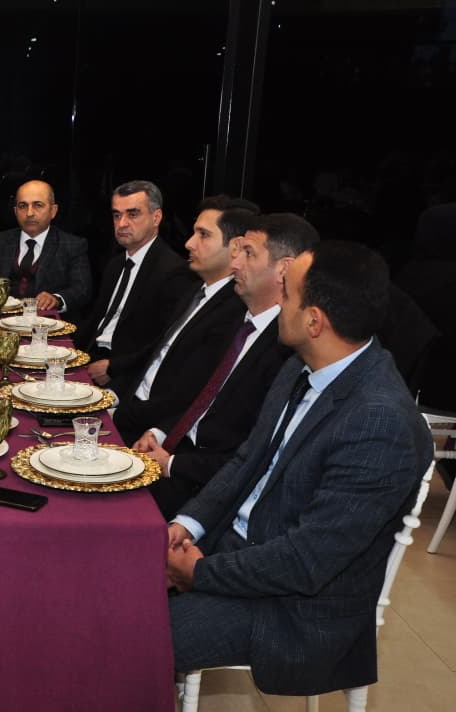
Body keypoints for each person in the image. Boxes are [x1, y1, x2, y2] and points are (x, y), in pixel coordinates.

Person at [166, 241, 433, 697]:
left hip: (288, 608)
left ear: (314, 321)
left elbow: (305, 561)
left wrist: (200, 572)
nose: (277, 299)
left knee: (131, 633)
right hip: (235, 550)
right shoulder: (301, 365)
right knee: (106, 573)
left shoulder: (380, 423)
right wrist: (187, 524)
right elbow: (247, 460)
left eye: (286, 293)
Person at [133, 213, 319, 518]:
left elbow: (251, 452)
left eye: (249, 253)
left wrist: (171, 464)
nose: (235, 263)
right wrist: (160, 432)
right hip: (177, 455)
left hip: (208, 490)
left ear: (283, 269)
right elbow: (197, 395)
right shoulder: (235, 320)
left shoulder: (287, 350)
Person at [112, 196, 259, 445]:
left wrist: (115, 414)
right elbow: (151, 359)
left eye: (204, 235)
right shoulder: (193, 289)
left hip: (149, 429)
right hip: (130, 407)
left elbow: (185, 396)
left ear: (235, 247)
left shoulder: (234, 312)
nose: (189, 243)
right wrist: (112, 396)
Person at [75, 180, 199, 395]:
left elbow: (162, 341)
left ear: (156, 217)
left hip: (125, 374)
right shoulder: (115, 264)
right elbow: (96, 319)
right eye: (116, 215)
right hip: (91, 356)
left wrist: (113, 368)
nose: (121, 223)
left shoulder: (173, 271)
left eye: (132, 214)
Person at [0, 180, 91, 322]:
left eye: (38, 205)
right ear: (15, 211)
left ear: (53, 211)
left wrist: (57, 299)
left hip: (47, 327)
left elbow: (82, 289)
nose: (29, 213)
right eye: (22, 206)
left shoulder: (72, 245)